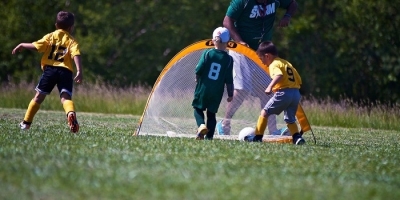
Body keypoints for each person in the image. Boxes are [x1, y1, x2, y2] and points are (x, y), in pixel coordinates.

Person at [216, 0, 298, 136]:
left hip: (261, 53)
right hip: (241, 49)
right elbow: (227, 21)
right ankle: (224, 124)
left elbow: (293, 4)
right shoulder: (242, 1)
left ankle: (273, 131)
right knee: (242, 89)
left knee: (268, 91)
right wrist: (239, 41)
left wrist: (287, 16)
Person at [12, 11, 83, 133]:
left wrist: (23, 44)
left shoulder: (50, 36)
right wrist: (79, 70)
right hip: (65, 72)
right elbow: (76, 54)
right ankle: (70, 114)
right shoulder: (72, 40)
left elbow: (37, 46)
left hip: (50, 70)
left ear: (56, 25)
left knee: (38, 97)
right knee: (65, 98)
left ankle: (26, 123)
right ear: (71, 27)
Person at [248, 41, 305, 145]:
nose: (262, 62)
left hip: (284, 93)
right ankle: (297, 138)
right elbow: (299, 80)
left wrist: (270, 86)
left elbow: (279, 75)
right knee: (290, 119)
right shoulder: (286, 63)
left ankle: (257, 137)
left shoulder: (273, 64)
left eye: (261, 59)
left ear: (267, 56)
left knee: (264, 112)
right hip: (296, 93)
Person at [192, 27, 234, 140]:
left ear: (213, 40)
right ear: (228, 42)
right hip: (217, 91)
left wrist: (197, 77)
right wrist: (230, 94)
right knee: (211, 114)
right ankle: (209, 138)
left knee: (197, 108)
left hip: (203, 88)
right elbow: (229, 79)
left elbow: (198, 69)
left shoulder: (208, 53)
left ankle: (201, 125)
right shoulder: (229, 59)